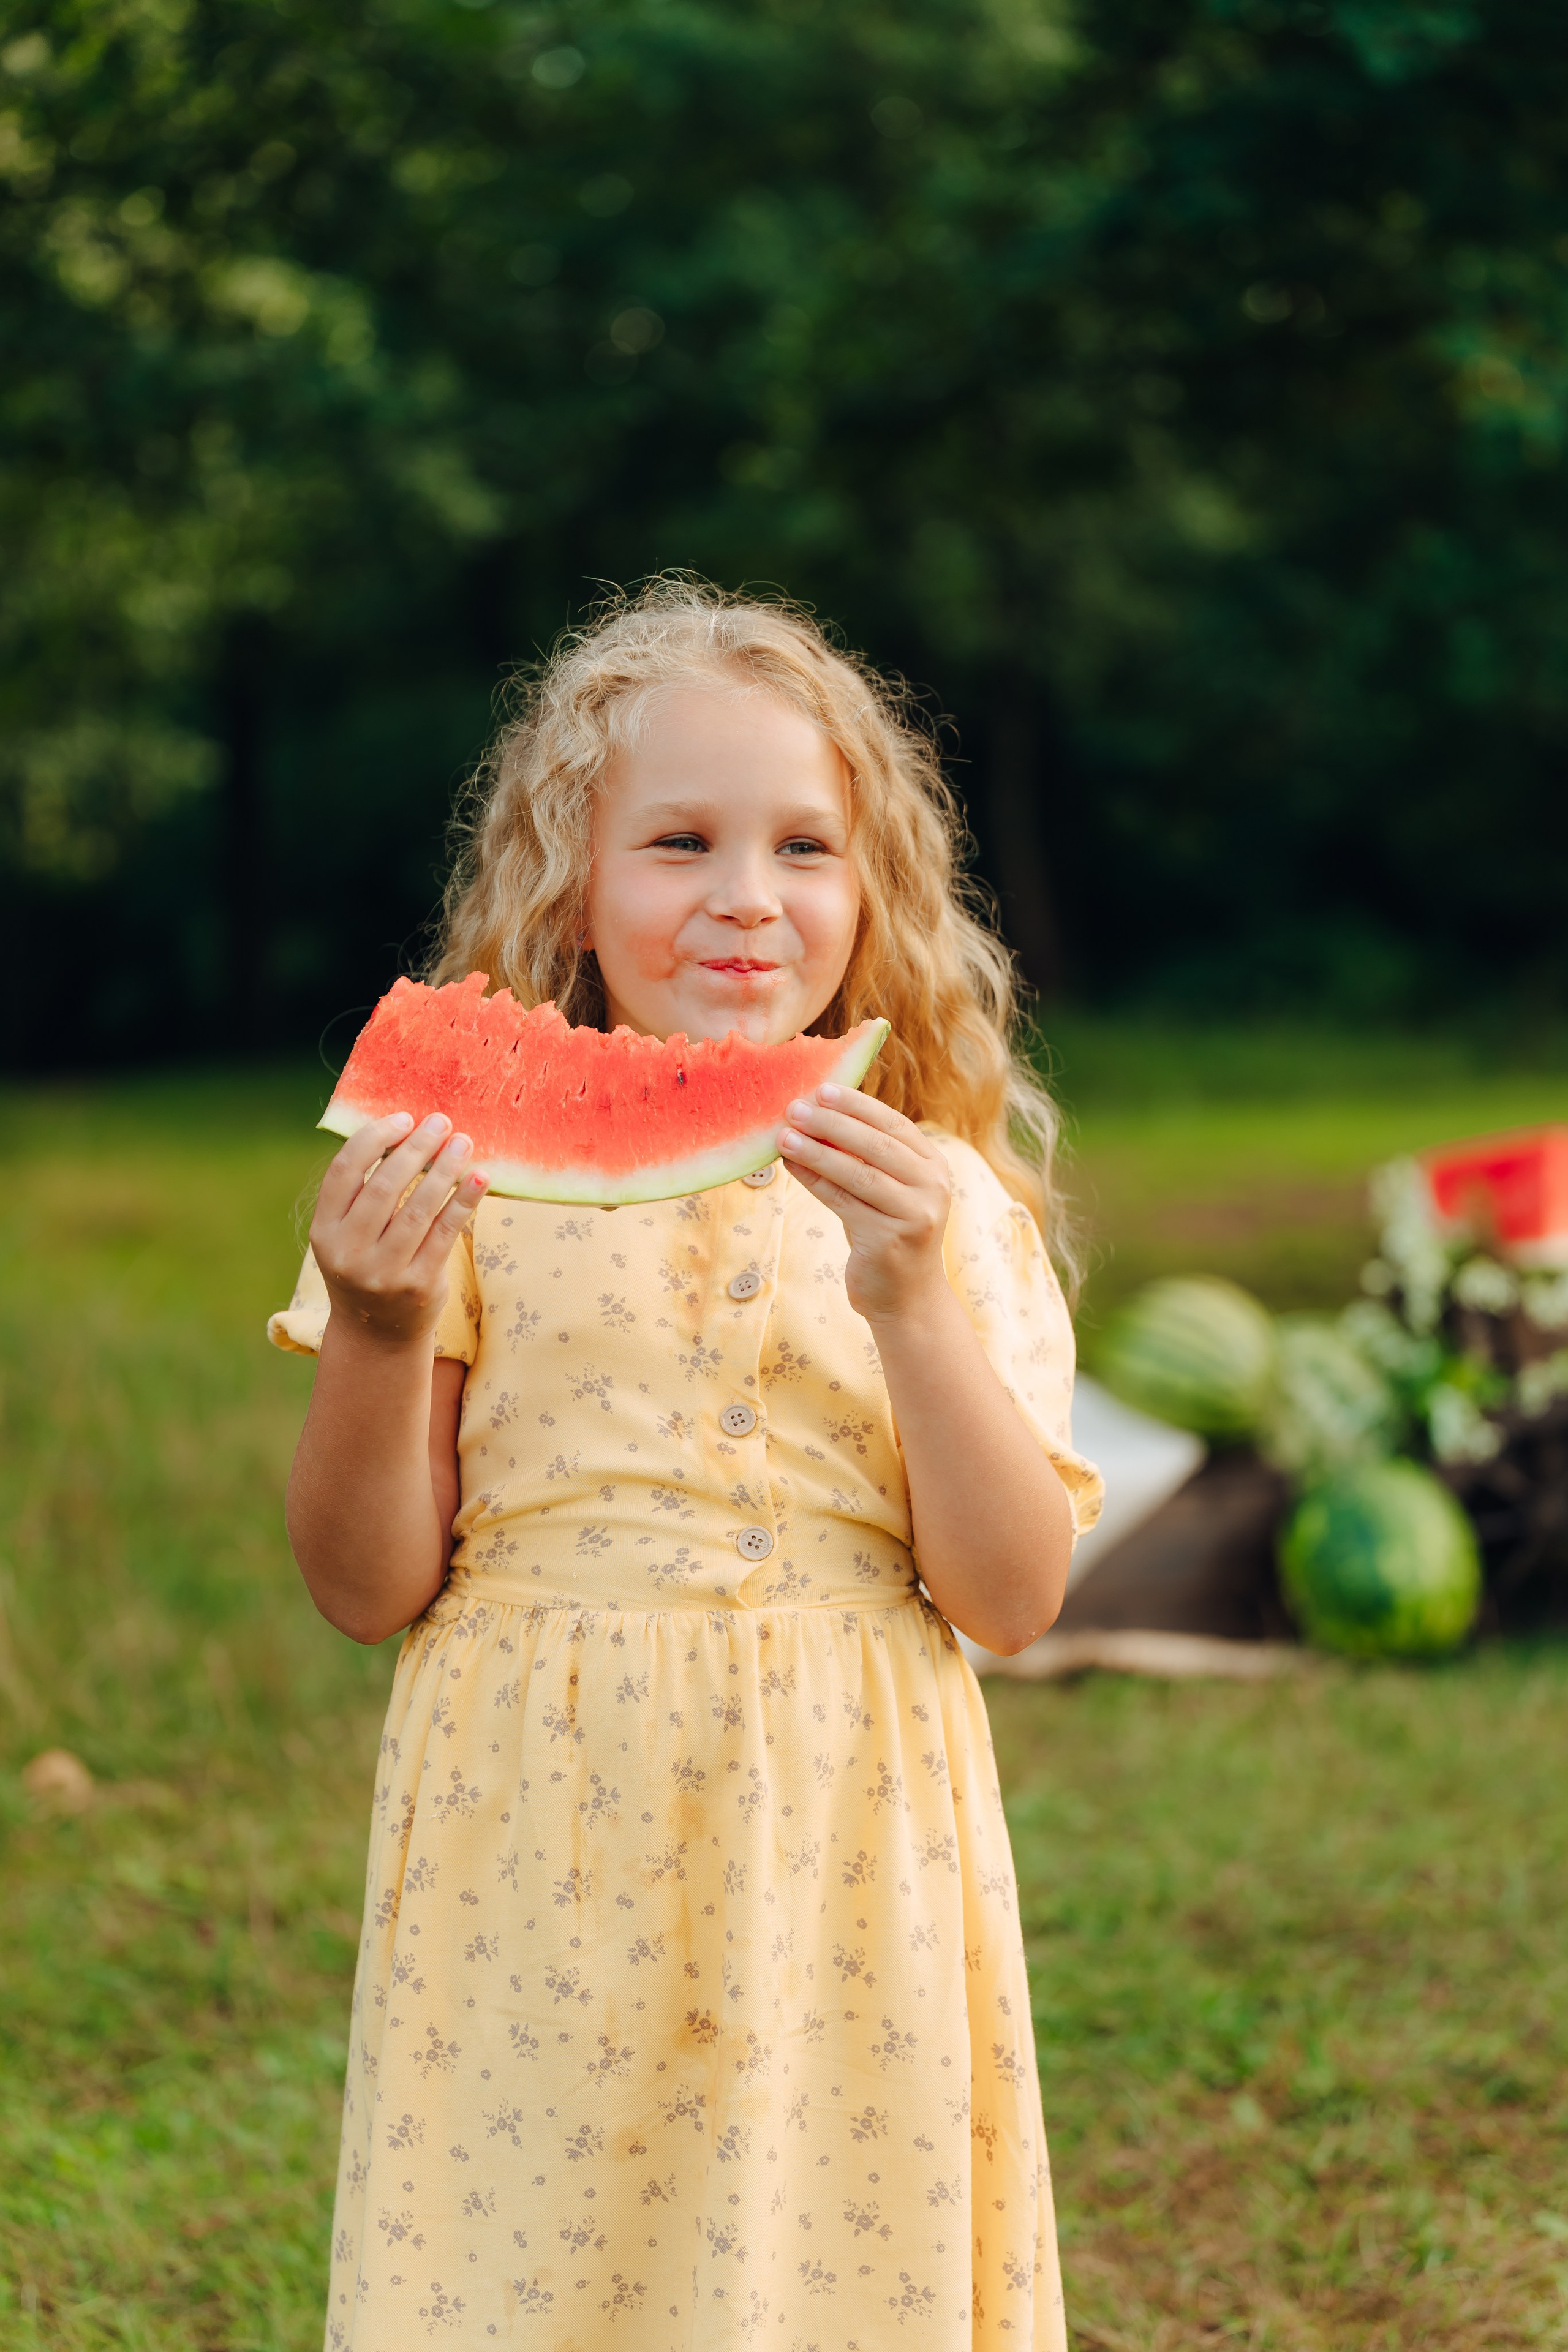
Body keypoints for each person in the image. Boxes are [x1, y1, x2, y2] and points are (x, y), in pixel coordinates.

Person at [270, 580, 1103, 2350]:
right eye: (678, 842)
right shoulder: (458, 1180)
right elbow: (363, 1586)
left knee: (832, 2260)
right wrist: (379, 1328)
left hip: (849, 1835)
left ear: (872, 892)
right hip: (538, 1827)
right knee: (539, 2259)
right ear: (570, 883)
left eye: (804, 846)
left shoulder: (946, 1205)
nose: (745, 895)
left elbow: (1014, 1598)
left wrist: (911, 1299)